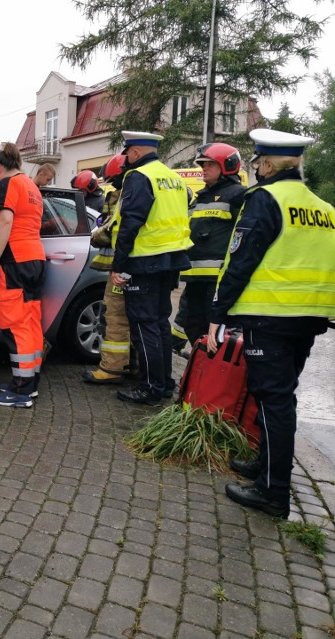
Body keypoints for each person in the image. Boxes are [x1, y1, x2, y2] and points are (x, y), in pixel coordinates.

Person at [207, 129, 335, 519]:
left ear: (264, 165)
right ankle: (266, 467)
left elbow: (240, 259)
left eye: (257, 164)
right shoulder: (323, 208)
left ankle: (273, 491)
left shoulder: (265, 198)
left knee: (274, 400)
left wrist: (217, 314)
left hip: (270, 315)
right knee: (278, 396)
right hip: (308, 317)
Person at [111, 131, 192, 405]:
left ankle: (150, 388)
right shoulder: (174, 178)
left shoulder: (139, 176)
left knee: (144, 326)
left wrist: (119, 266)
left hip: (144, 261)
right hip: (171, 261)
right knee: (159, 324)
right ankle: (165, 383)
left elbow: (130, 223)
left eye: (127, 154)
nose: (127, 159)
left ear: (134, 153)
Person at [0, 143, 45, 408]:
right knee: (30, 322)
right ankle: (30, 383)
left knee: (14, 325)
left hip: (13, 261)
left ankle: (20, 390)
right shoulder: (31, 186)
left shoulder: (8, 184)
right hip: (34, 258)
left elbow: (6, 220)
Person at [175, 143, 246, 346]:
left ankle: (213, 373)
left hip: (218, 279)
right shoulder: (200, 198)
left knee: (217, 332)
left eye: (210, 164)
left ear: (227, 166)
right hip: (194, 278)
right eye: (203, 164)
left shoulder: (239, 195)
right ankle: (201, 368)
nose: (204, 169)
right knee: (191, 325)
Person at [82, 153, 138, 384]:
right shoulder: (143, 193)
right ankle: (134, 366)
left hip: (122, 269)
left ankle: (112, 369)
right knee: (136, 319)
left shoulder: (124, 197)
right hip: (141, 267)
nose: (111, 188)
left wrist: (97, 236)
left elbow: (112, 231)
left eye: (113, 181)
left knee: (115, 318)